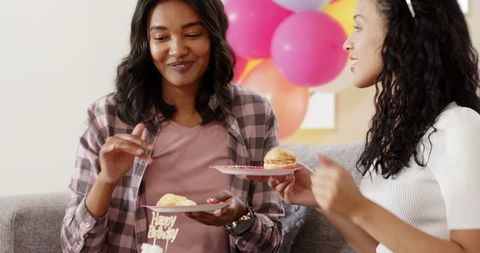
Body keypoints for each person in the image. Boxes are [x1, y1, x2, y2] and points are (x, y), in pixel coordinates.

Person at [60, 0, 283, 252]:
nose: (177, 50)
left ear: (213, 35)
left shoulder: (252, 112)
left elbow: (271, 242)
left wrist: (240, 218)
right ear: (146, 44)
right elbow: (74, 247)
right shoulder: (106, 117)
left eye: (192, 34)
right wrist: (106, 179)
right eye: (161, 37)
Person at [269, 0, 480, 252]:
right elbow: (378, 248)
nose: (348, 43)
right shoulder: (400, 135)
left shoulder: (459, 126)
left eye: (358, 27)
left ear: (402, 35)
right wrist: (321, 199)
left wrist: (359, 206)